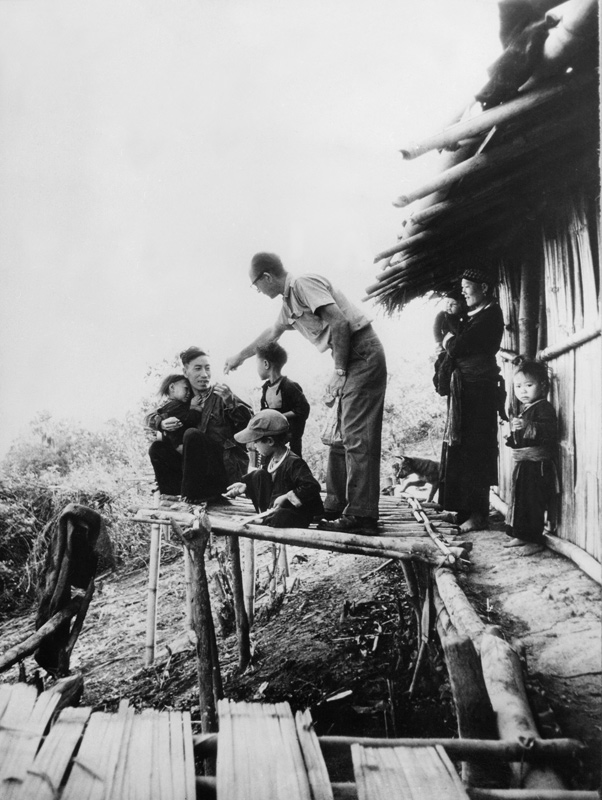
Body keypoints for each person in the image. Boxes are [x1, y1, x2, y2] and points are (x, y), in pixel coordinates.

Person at [224, 252, 387, 535]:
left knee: (357, 437)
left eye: (256, 284)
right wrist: (240, 356)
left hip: (360, 353)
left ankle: (362, 516)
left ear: (266, 277)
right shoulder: (288, 302)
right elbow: (271, 334)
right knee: (339, 438)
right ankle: (336, 506)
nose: (258, 290)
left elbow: (339, 323)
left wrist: (339, 372)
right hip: (348, 356)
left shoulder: (302, 283)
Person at [438, 267, 505, 532]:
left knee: (477, 449)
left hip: (480, 389)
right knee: (461, 448)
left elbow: (457, 346)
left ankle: (478, 514)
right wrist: (450, 337)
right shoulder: (472, 315)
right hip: (465, 388)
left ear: (484, 288)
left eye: (467, 286)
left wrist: (449, 340)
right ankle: (463, 510)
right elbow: (452, 339)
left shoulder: (490, 316)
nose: (463, 291)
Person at [146, 347, 252, 502]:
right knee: (157, 448)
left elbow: (251, 425)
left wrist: (230, 404)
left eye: (207, 368)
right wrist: (160, 423)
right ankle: (171, 496)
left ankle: (192, 496)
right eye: (198, 368)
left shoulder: (222, 394)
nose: (204, 374)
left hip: (222, 470)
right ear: (185, 371)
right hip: (193, 474)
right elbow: (151, 415)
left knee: (192, 435)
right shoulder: (183, 396)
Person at [224, 409, 324, 528]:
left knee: (281, 516)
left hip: (294, 511)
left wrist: (286, 497)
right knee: (259, 474)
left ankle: (264, 520)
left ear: (270, 441)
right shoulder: (269, 458)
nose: (254, 446)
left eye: (256, 442)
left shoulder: (294, 463)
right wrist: (246, 486)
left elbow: (312, 486)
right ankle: (265, 517)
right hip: (274, 507)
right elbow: (266, 482)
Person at [503, 358, 559, 555]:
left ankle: (535, 540)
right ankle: (521, 535)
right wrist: (512, 435)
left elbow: (550, 431)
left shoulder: (544, 407)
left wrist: (527, 426)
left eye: (529, 385)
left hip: (538, 466)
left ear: (542, 386)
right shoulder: (525, 409)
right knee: (521, 500)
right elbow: (521, 437)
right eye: (518, 386)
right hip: (525, 464)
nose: (523, 391)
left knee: (533, 501)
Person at [256, 341, 310, 457]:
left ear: (266, 364)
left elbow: (303, 409)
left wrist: (279, 417)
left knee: (293, 461)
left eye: (257, 363)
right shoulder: (266, 388)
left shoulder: (289, 386)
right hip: (273, 439)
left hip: (291, 438)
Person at [145, 374, 195, 453]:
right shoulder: (169, 405)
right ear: (172, 387)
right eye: (186, 388)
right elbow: (148, 418)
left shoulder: (186, 402)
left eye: (190, 390)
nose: (189, 393)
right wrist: (161, 423)